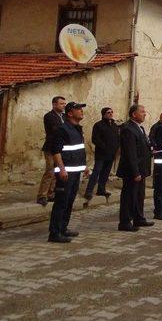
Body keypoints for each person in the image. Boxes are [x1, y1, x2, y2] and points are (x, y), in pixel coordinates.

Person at [47, 102, 89, 243]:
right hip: (66, 173)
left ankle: (63, 228)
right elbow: (56, 151)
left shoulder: (77, 129)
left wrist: (84, 166)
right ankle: (54, 232)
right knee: (61, 202)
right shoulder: (62, 129)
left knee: (69, 201)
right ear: (70, 113)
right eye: (78, 109)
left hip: (76, 171)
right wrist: (62, 169)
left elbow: (78, 150)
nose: (81, 111)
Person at [117, 104, 154, 231]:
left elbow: (143, 147)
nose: (145, 114)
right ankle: (125, 222)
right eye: (142, 112)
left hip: (141, 169)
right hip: (132, 171)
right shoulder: (128, 129)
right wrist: (135, 172)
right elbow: (130, 153)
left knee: (139, 195)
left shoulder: (140, 128)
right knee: (129, 196)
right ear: (134, 114)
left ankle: (139, 218)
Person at [84, 107, 119, 200]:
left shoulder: (114, 126)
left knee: (106, 172)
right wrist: (104, 147)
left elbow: (117, 139)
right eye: (108, 112)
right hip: (101, 154)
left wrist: (115, 149)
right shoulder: (98, 125)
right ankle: (89, 191)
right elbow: (95, 139)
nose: (111, 114)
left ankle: (101, 189)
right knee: (97, 171)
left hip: (111, 154)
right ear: (104, 114)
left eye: (112, 112)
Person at [36, 96, 66, 206]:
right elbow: (56, 129)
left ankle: (50, 193)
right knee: (50, 171)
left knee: (57, 171)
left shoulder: (64, 116)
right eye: (61, 104)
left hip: (60, 147)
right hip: (51, 147)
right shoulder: (49, 116)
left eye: (64, 104)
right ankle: (42, 195)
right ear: (54, 104)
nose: (64, 106)